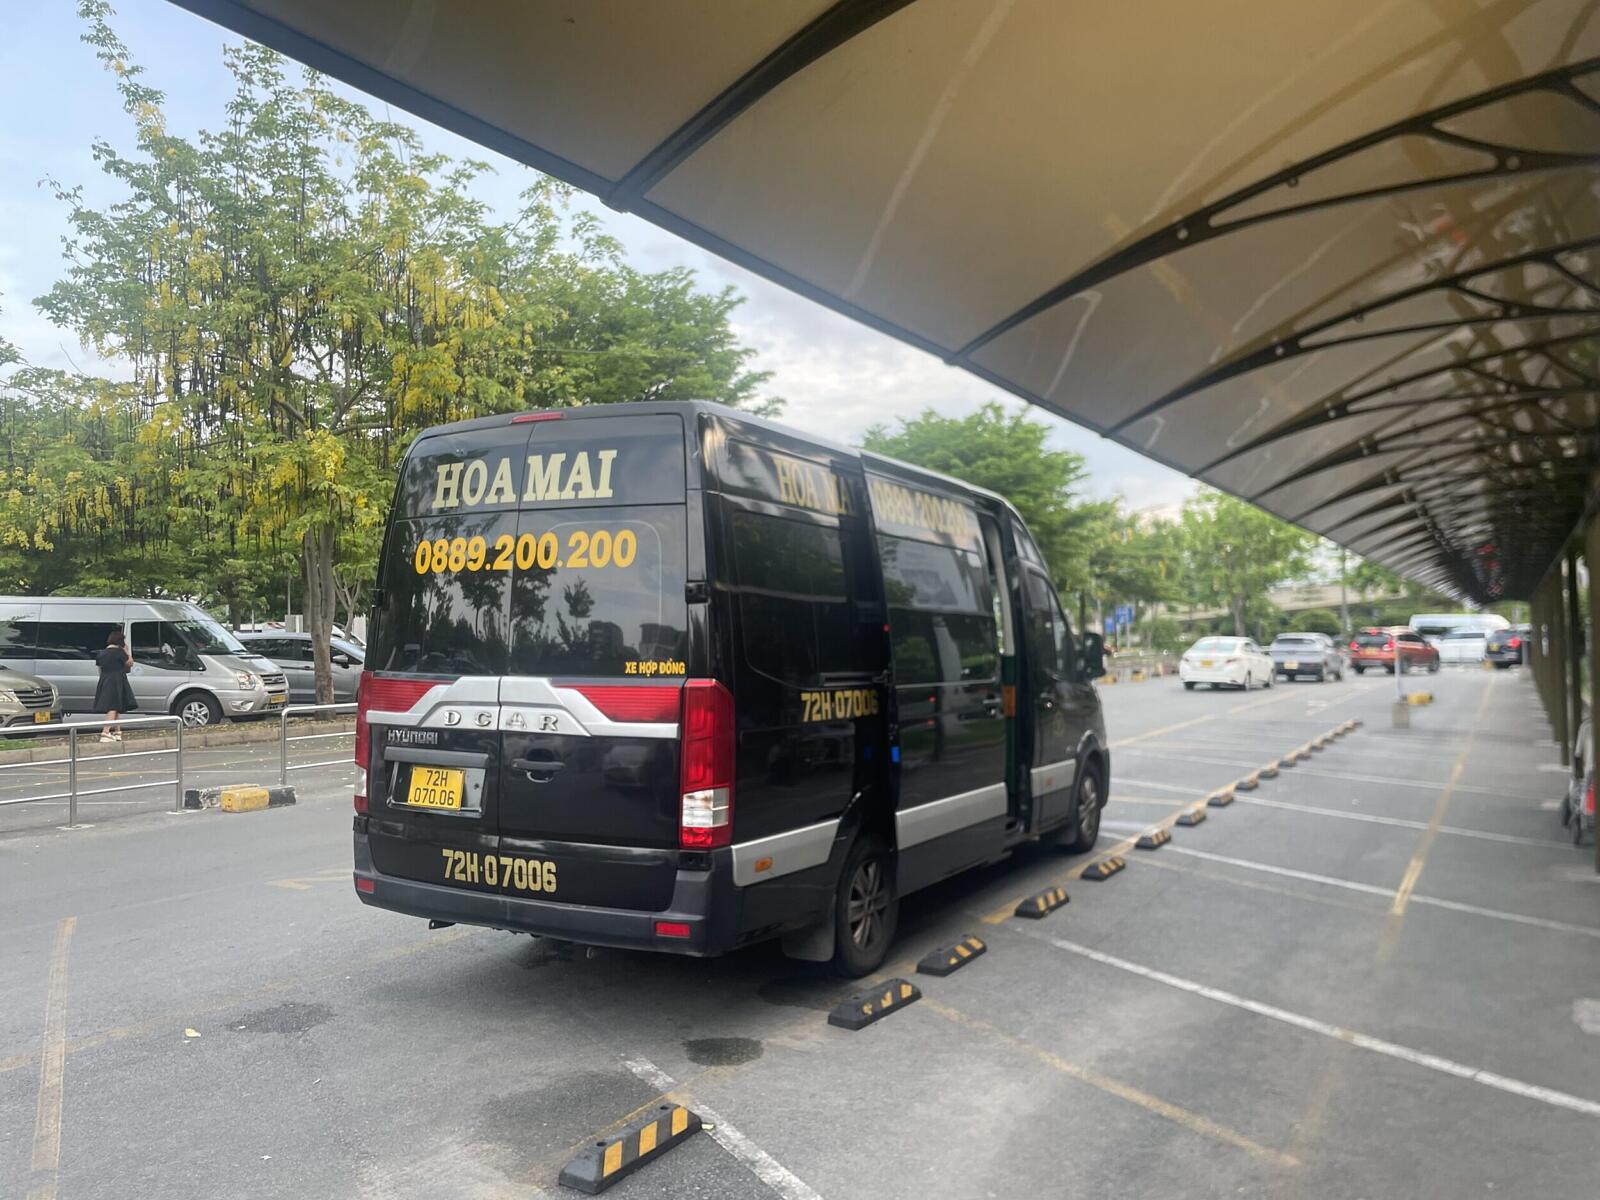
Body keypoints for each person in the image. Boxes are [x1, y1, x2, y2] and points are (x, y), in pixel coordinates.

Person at [95, 629, 136, 742]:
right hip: (117, 680)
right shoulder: (119, 652)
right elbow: (130, 663)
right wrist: (127, 651)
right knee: (113, 706)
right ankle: (105, 732)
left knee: (116, 706)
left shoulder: (101, 653)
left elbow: (99, 669)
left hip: (105, 679)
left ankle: (117, 731)